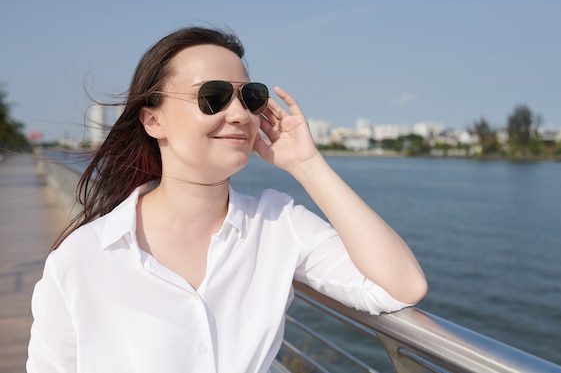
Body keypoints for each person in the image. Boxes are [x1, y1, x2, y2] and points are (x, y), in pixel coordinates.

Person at [27, 26, 427, 373]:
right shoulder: (83, 257)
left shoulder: (278, 223)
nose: (238, 114)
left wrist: (307, 164)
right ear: (153, 120)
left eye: (249, 98)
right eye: (213, 96)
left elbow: (399, 286)